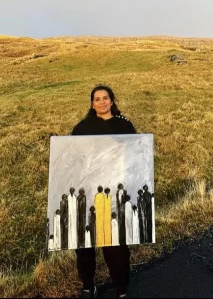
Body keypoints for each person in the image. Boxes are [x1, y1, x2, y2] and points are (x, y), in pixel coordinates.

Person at [71, 85, 136, 299]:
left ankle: (121, 290)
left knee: (115, 247)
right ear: (92, 104)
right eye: (97, 99)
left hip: (114, 193)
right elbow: (73, 158)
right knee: (85, 247)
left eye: (105, 98)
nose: (101, 102)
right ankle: (89, 287)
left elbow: (134, 155)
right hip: (88, 192)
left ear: (112, 100)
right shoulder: (81, 127)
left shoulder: (124, 125)